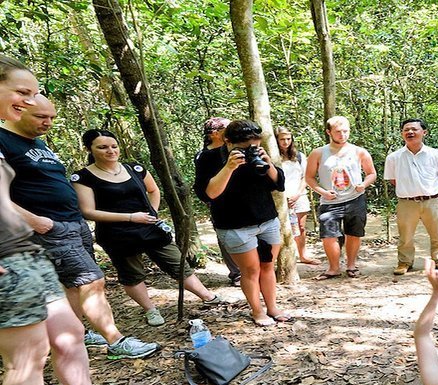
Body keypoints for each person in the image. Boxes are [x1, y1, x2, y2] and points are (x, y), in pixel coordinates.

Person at [0, 55, 145, 385]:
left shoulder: (33, 143)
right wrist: (38, 222)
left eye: (34, 93)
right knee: (27, 355)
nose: (30, 102)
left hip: (27, 253)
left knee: (69, 333)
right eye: (22, 92)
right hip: (9, 256)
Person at [0, 95, 159, 357]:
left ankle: (79, 333)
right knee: (92, 280)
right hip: (49, 228)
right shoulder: (4, 141)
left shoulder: (36, 143)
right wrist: (35, 221)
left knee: (74, 285)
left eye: (51, 117)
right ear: (17, 110)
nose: (47, 123)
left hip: (73, 224)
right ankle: (116, 342)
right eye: (41, 117)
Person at [72, 129, 223, 326]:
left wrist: (153, 212)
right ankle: (150, 310)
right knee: (132, 273)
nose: (110, 151)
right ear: (89, 149)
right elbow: (88, 211)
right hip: (116, 234)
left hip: (150, 227)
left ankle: (207, 296)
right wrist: (131, 218)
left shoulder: (134, 169)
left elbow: (153, 190)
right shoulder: (82, 177)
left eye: (114, 146)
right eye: (102, 147)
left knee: (177, 263)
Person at [194, 120, 290, 327]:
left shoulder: (258, 153)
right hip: (234, 224)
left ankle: (272, 307)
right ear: (227, 141)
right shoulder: (209, 158)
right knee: (251, 270)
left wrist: (268, 163)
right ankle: (257, 311)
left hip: (266, 218)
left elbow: (279, 184)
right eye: (244, 148)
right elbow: (208, 194)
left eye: (254, 146)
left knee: (267, 266)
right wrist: (229, 168)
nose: (249, 151)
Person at [384, 118, 438, 275]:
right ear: (402, 134)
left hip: (432, 201)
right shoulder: (393, 157)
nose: (410, 132)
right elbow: (393, 180)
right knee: (405, 236)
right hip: (406, 202)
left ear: (424, 132)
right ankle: (404, 262)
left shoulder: (437, 155)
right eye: (406, 130)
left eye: (414, 129)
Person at [305, 116, 377, 280]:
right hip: (330, 201)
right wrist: (322, 192)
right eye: (338, 132)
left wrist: (364, 185)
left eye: (346, 131)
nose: (342, 135)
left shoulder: (359, 151)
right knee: (329, 235)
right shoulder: (318, 153)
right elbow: (309, 177)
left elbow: (371, 173)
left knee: (354, 233)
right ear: (328, 132)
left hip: (355, 199)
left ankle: (351, 265)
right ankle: (333, 268)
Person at [196, 117, 242, 287]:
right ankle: (236, 273)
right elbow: (204, 186)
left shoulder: (234, 148)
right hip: (220, 203)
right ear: (215, 133)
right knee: (227, 237)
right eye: (226, 128)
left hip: (242, 200)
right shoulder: (203, 156)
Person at [275, 126, 320, 265]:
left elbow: (306, 176)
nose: (285, 142)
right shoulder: (272, 156)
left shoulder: (299, 156)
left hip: (298, 196)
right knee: (278, 228)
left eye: (288, 138)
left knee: (300, 227)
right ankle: (280, 258)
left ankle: (303, 255)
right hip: (279, 198)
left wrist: (297, 194)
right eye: (282, 139)